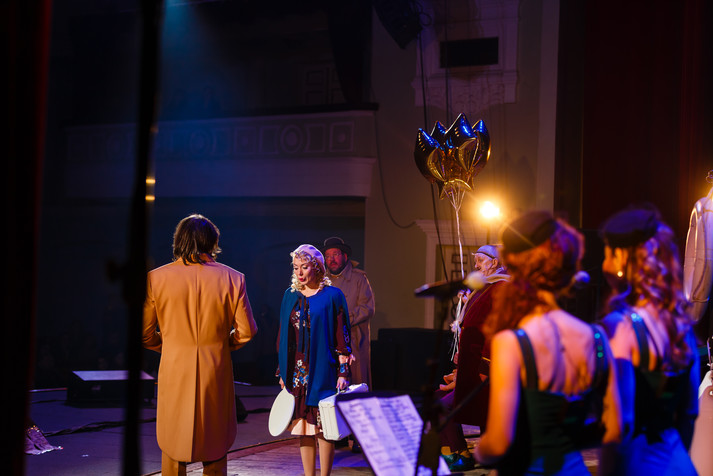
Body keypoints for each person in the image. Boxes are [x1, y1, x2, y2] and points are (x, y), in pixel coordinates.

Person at [474, 211, 622, 475]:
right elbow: (615, 428)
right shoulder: (597, 338)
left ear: (516, 266)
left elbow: (498, 443)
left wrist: (479, 450)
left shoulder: (512, 342)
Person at [142, 214, 258, 476]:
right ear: (212, 241)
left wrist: (170, 347)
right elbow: (247, 331)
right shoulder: (233, 278)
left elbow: (145, 334)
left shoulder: (156, 278)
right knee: (215, 441)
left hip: (174, 368)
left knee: (173, 442)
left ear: (178, 240)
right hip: (214, 368)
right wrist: (221, 345)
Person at [598, 206, 699, 475]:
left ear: (620, 257)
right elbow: (689, 413)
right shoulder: (681, 326)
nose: (604, 264)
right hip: (679, 463)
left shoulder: (619, 327)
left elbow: (620, 425)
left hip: (638, 464)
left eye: (606, 253)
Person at [277, 244, 352, 476]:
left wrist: (343, 371)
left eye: (305, 267)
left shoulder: (332, 296)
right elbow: (283, 335)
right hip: (298, 371)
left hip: (322, 368)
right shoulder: (290, 296)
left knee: (324, 427)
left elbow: (342, 334)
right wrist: (282, 371)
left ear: (317, 267)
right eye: (296, 267)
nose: (299, 273)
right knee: (304, 428)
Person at [439, 244, 510, 471]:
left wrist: (484, 367)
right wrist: (461, 361)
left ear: (495, 262)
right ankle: (458, 453)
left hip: (487, 366)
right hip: (471, 364)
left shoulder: (501, 288)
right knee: (441, 401)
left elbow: (495, 330)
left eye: (480, 260)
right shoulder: (486, 287)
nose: (476, 265)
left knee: (461, 408)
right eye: (476, 260)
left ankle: (469, 455)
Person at [322, 237, 375, 389]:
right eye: (328, 256)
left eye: (335, 255)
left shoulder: (359, 278)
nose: (331, 259)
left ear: (345, 256)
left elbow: (367, 307)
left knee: (355, 385)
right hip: (327, 340)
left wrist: (342, 320)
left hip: (353, 341)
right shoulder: (322, 280)